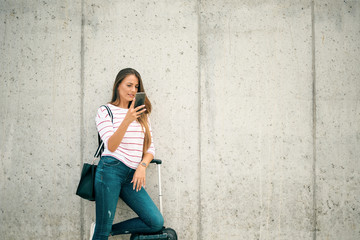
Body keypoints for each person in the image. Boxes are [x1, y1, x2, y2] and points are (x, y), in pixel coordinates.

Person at [91, 68, 164, 240]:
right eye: (129, 85)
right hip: (110, 172)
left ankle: (107, 229)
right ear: (118, 86)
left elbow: (150, 148)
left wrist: (142, 166)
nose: (133, 90)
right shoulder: (105, 111)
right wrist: (127, 119)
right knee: (101, 232)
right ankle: (102, 229)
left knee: (155, 222)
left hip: (132, 176)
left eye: (136, 86)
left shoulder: (141, 114)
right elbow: (111, 145)